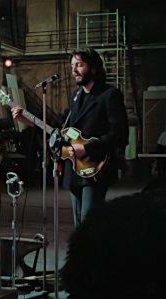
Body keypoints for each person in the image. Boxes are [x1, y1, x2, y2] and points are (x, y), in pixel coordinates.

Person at [12, 48, 128, 227]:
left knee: (89, 223)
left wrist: (87, 148)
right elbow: (59, 126)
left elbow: (119, 134)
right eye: (72, 65)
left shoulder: (109, 95)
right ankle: (82, 254)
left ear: (94, 68)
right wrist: (29, 120)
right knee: (79, 223)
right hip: (74, 169)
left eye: (79, 65)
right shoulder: (76, 96)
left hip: (95, 167)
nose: (74, 71)